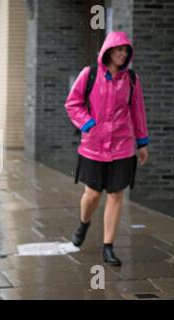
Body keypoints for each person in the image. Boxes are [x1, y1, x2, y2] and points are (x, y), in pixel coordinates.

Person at [65, 31, 149, 266]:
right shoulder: (89, 74)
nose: (123, 54)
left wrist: (142, 143)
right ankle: (84, 223)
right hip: (93, 146)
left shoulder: (131, 79)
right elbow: (72, 104)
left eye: (126, 50)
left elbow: (137, 111)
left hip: (123, 147)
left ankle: (108, 247)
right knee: (93, 194)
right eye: (119, 49)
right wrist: (89, 123)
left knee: (115, 195)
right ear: (109, 50)